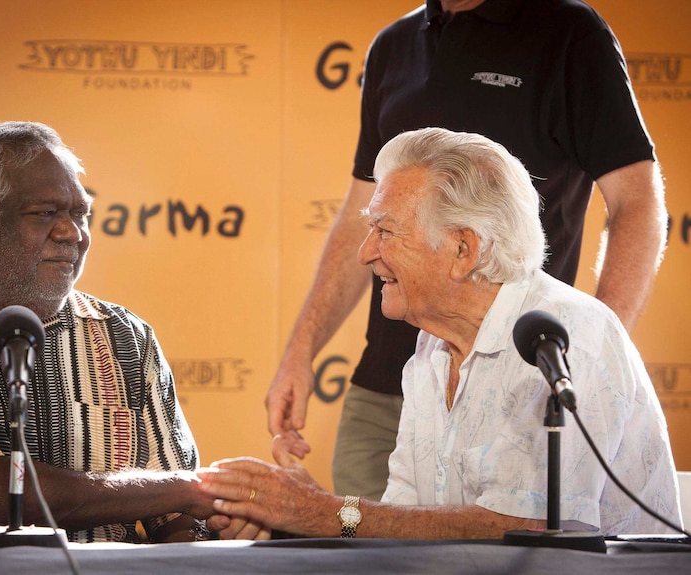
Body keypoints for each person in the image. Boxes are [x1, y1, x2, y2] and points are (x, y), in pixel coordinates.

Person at [266, 0, 669, 501]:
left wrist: (586, 356)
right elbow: (359, 217)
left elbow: (636, 202)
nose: (370, 252)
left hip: (519, 376)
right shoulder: (394, 45)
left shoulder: (568, 33)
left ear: (465, 249)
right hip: (394, 376)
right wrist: (300, 352)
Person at [203, 128, 681, 539]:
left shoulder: (569, 335)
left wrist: (322, 513)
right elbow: (403, 520)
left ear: (462, 249)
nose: (365, 253)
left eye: (385, 231)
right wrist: (296, 515)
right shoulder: (433, 346)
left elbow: (524, 528)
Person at [0, 121, 263, 543]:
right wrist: (193, 489)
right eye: (45, 213)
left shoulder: (125, 335)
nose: (74, 234)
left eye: (80, 213)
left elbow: (176, 518)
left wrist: (207, 528)